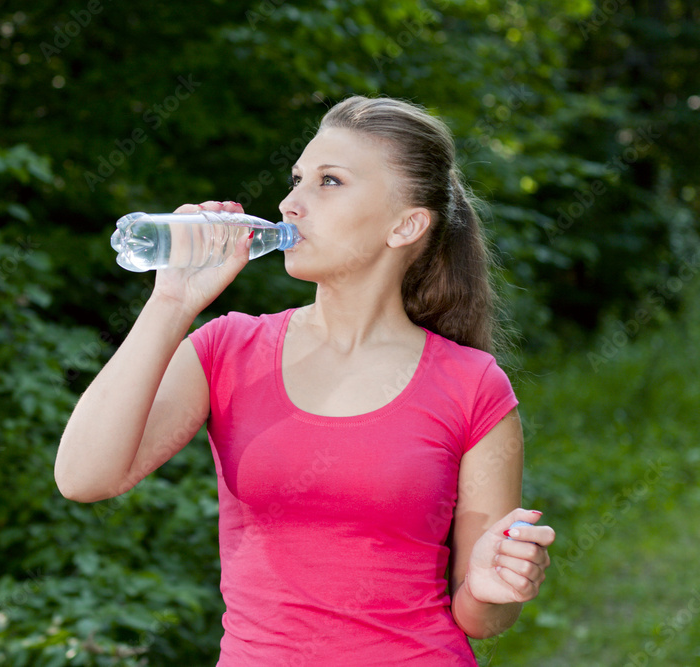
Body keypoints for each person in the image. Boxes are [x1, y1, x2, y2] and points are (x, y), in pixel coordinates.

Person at [55, 95, 556, 665]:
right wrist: (172, 300)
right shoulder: (228, 349)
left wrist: (494, 588)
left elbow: (480, 616)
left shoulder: (473, 385)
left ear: (406, 224)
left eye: (329, 182)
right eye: (297, 180)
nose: (291, 203)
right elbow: (83, 476)